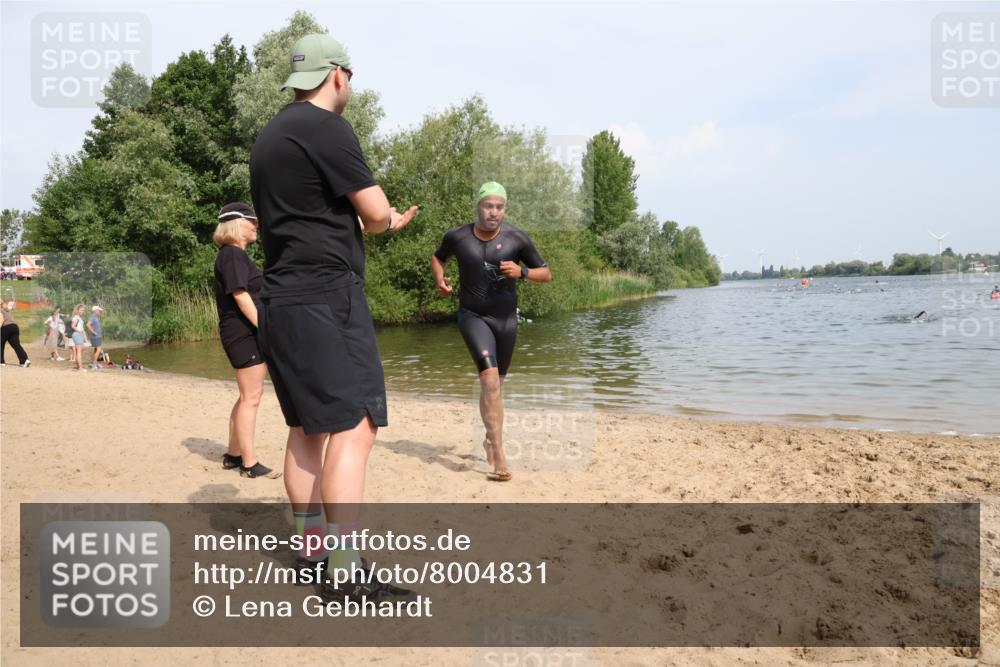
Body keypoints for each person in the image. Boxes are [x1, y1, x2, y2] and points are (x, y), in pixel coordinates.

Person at [250, 33, 418, 600]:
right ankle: (345, 572)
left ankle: (311, 552)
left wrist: (372, 220)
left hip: (280, 299)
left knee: (306, 429)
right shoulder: (328, 128)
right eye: (352, 77)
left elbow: (305, 214)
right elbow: (371, 212)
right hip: (326, 298)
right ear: (338, 75)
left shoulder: (269, 136)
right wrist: (386, 217)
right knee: (355, 426)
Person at [430, 182, 552, 482]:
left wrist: (521, 272)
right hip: (473, 317)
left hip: (507, 321)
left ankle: (488, 438)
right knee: (490, 383)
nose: (493, 212)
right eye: (488, 206)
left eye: (498, 207)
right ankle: (498, 454)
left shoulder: (516, 238)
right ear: (478, 207)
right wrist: (440, 279)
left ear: (505, 209)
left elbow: (546, 274)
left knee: (498, 384)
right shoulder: (458, 236)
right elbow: (438, 257)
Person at [212, 202, 277, 480]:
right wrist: (265, 328)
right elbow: (240, 295)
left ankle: (234, 454)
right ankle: (249, 463)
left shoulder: (231, 255)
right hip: (243, 333)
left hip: (240, 332)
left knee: (246, 396)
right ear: (238, 224)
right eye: (253, 221)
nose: (257, 225)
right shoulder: (233, 255)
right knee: (251, 397)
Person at [0, 301, 30, 367]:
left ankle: (1, 362)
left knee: (1, 344)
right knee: (16, 345)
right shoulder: (8, 311)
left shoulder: (1, 311)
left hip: (6, 328)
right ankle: (24, 360)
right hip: (15, 327)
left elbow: (1, 321)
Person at [86, 305, 105, 370]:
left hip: (98, 336)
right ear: (95, 311)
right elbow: (88, 325)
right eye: (99, 311)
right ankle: (94, 364)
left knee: (97, 350)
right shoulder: (92, 317)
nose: (100, 312)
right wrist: (93, 332)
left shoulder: (95, 317)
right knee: (99, 349)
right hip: (95, 337)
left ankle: (94, 363)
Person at [69, 304, 87, 371]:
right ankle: (80, 368)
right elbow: (73, 326)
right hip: (77, 334)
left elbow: (81, 328)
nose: (82, 311)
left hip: (78, 334)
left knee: (78, 351)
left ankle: (78, 366)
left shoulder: (79, 317)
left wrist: (84, 337)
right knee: (79, 351)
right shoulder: (76, 317)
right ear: (77, 310)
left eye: (83, 310)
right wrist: (80, 332)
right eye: (81, 310)